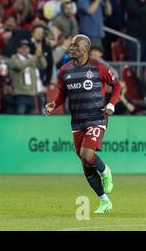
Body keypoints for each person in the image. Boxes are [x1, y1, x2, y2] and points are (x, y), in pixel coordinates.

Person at [45, 34, 121, 214]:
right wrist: (54, 104)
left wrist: (111, 104)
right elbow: (63, 93)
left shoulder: (99, 67)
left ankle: (105, 171)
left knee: (87, 155)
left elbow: (117, 85)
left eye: (76, 46)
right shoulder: (64, 70)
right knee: (85, 164)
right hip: (77, 121)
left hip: (97, 117)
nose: (72, 48)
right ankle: (104, 201)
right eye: (71, 45)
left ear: (86, 49)